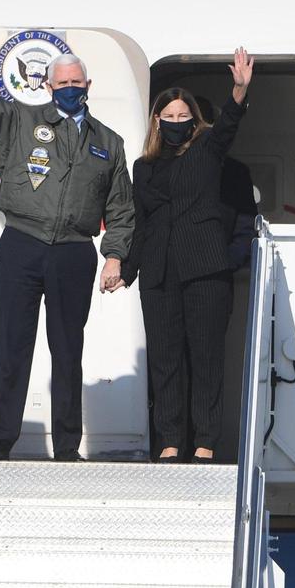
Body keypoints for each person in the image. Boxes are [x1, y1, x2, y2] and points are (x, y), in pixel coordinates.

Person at [0, 19, 134, 462]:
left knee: (68, 353)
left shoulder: (109, 142)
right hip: (23, 245)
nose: (70, 87)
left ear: (89, 84)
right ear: (48, 85)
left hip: (73, 252)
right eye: (62, 82)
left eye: (76, 81)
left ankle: (67, 449)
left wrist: (114, 257)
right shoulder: (19, 121)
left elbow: (122, 210)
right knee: (11, 348)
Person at [118, 47, 254, 463]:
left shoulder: (207, 151)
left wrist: (239, 90)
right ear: (157, 121)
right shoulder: (144, 167)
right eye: (169, 117)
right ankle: (171, 440)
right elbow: (141, 222)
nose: (177, 123)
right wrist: (126, 268)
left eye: (183, 116)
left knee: (206, 358)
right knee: (165, 359)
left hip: (204, 270)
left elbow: (228, 126)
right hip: (159, 274)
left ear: (194, 120)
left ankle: (205, 442)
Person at [195, 96, 259, 271]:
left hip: (216, 278)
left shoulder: (235, 172)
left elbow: (246, 228)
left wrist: (224, 262)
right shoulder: (163, 168)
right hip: (171, 279)